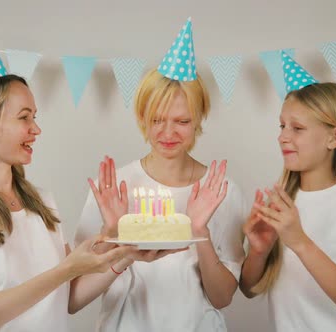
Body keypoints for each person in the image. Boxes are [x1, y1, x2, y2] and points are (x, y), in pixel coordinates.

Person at [0, 18, 136, 332]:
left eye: (34, 117)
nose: (36, 129)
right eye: (24, 118)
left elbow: (68, 298)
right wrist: (65, 270)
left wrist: (128, 255)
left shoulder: (41, 203)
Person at [73, 18, 246, 332]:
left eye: (181, 121)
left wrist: (199, 230)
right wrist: (112, 233)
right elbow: (74, 297)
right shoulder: (112, 188)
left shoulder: (222, 191)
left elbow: (222, 298)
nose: (168, 133)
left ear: (198, 120)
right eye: (157, 119)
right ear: (142, 117)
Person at [239, 52, 336, 331]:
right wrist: (259, 252)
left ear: (334, 137)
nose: (283, 136)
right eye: (282, 125)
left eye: (298, 128)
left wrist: (299, 242)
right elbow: (249, 288)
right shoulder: (282, 201)